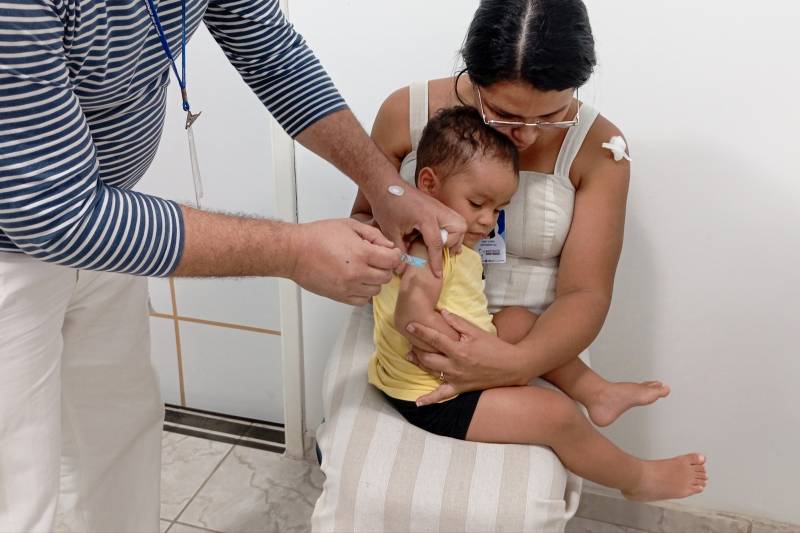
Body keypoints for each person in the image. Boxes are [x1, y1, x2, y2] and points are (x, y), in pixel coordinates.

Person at [0, 0, 465, 531]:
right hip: (27, 240)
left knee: (119, 429)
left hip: (106, 221)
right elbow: (55, 213)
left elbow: (272, 51)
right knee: (17, 484)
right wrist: (294, 251)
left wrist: (384, 185)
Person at [367, 105, 707, 501]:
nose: (488, 221)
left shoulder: (444, 240)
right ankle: (637, 479)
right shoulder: (428, 251)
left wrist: (490, 350)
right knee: (557, 416)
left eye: (498, 209)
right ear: (428, 183)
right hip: (432, 394)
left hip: (449, 364)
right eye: (477, 203)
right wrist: (476, 362)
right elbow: (411, 317)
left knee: (519, 320)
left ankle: (597, 392)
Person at [351, 0, 659, 412]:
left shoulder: (599, 147)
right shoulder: (406, 111)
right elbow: (362, 218)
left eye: (552, 115)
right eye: (503, 113)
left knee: (556, 423)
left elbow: (585, 293)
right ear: (473, 77)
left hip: (540, 341)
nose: (526, 136)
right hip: (405, 332)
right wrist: (411, 264)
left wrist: (515, 364)